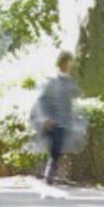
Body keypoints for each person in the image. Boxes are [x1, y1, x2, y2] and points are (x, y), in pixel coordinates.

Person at [29, 53, 83, 188]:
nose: (69, 66)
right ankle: (48, 178)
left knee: (58, 150)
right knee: (55, 150)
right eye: (67, 63)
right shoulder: (51, 80)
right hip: (52, 122)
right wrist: (43, 118)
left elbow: (74, 97)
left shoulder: (69, 81)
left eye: (70, 63)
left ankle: (50, 175)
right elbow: (40, 100)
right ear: (62, 63)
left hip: (65, 122)